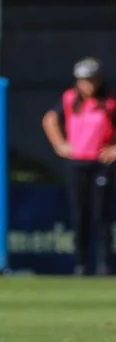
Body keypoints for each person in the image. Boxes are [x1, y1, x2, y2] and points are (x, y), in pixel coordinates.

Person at [42, 57, 116, 276]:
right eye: (84, 80)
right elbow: (49, 120)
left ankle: (104, 264)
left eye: (92, 80)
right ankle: (81, 264)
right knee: (79, 214)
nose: (88, 85)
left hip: (101, 163)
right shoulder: (69, 99)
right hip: (77, 163)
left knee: (101, 215)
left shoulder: (110, 102)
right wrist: (60, 144)